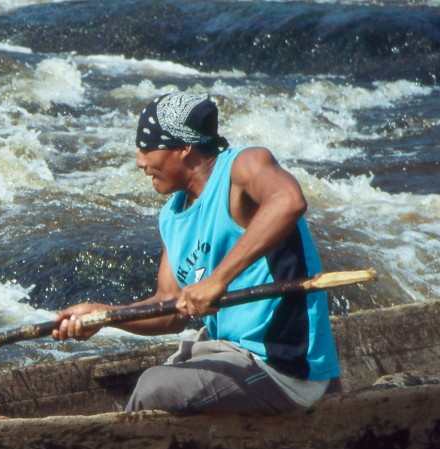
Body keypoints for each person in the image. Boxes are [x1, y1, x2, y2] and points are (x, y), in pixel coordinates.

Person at [53, 92, 339, 414]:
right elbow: (171, 310)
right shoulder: (171, 218)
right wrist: (105, 316)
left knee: (153, 387)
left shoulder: (243, 167)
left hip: (284, 367)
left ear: (184, 148)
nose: (140, 161)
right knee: (154, 380)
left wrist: (218, 280)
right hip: (227, 354)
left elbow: (288, 201)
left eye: (148, 148)